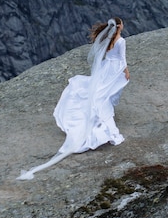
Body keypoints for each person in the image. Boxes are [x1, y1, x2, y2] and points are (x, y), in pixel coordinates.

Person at [17, 17, 130, 180]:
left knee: (100, 93)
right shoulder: (121, 41)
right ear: (120, 26)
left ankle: (99, 118)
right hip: (115, 70)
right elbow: (122, 59)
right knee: (105, 96)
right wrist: (126, 72)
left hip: (106, 68)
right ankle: (107, 129)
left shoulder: (108, 39)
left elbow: (105, 54)